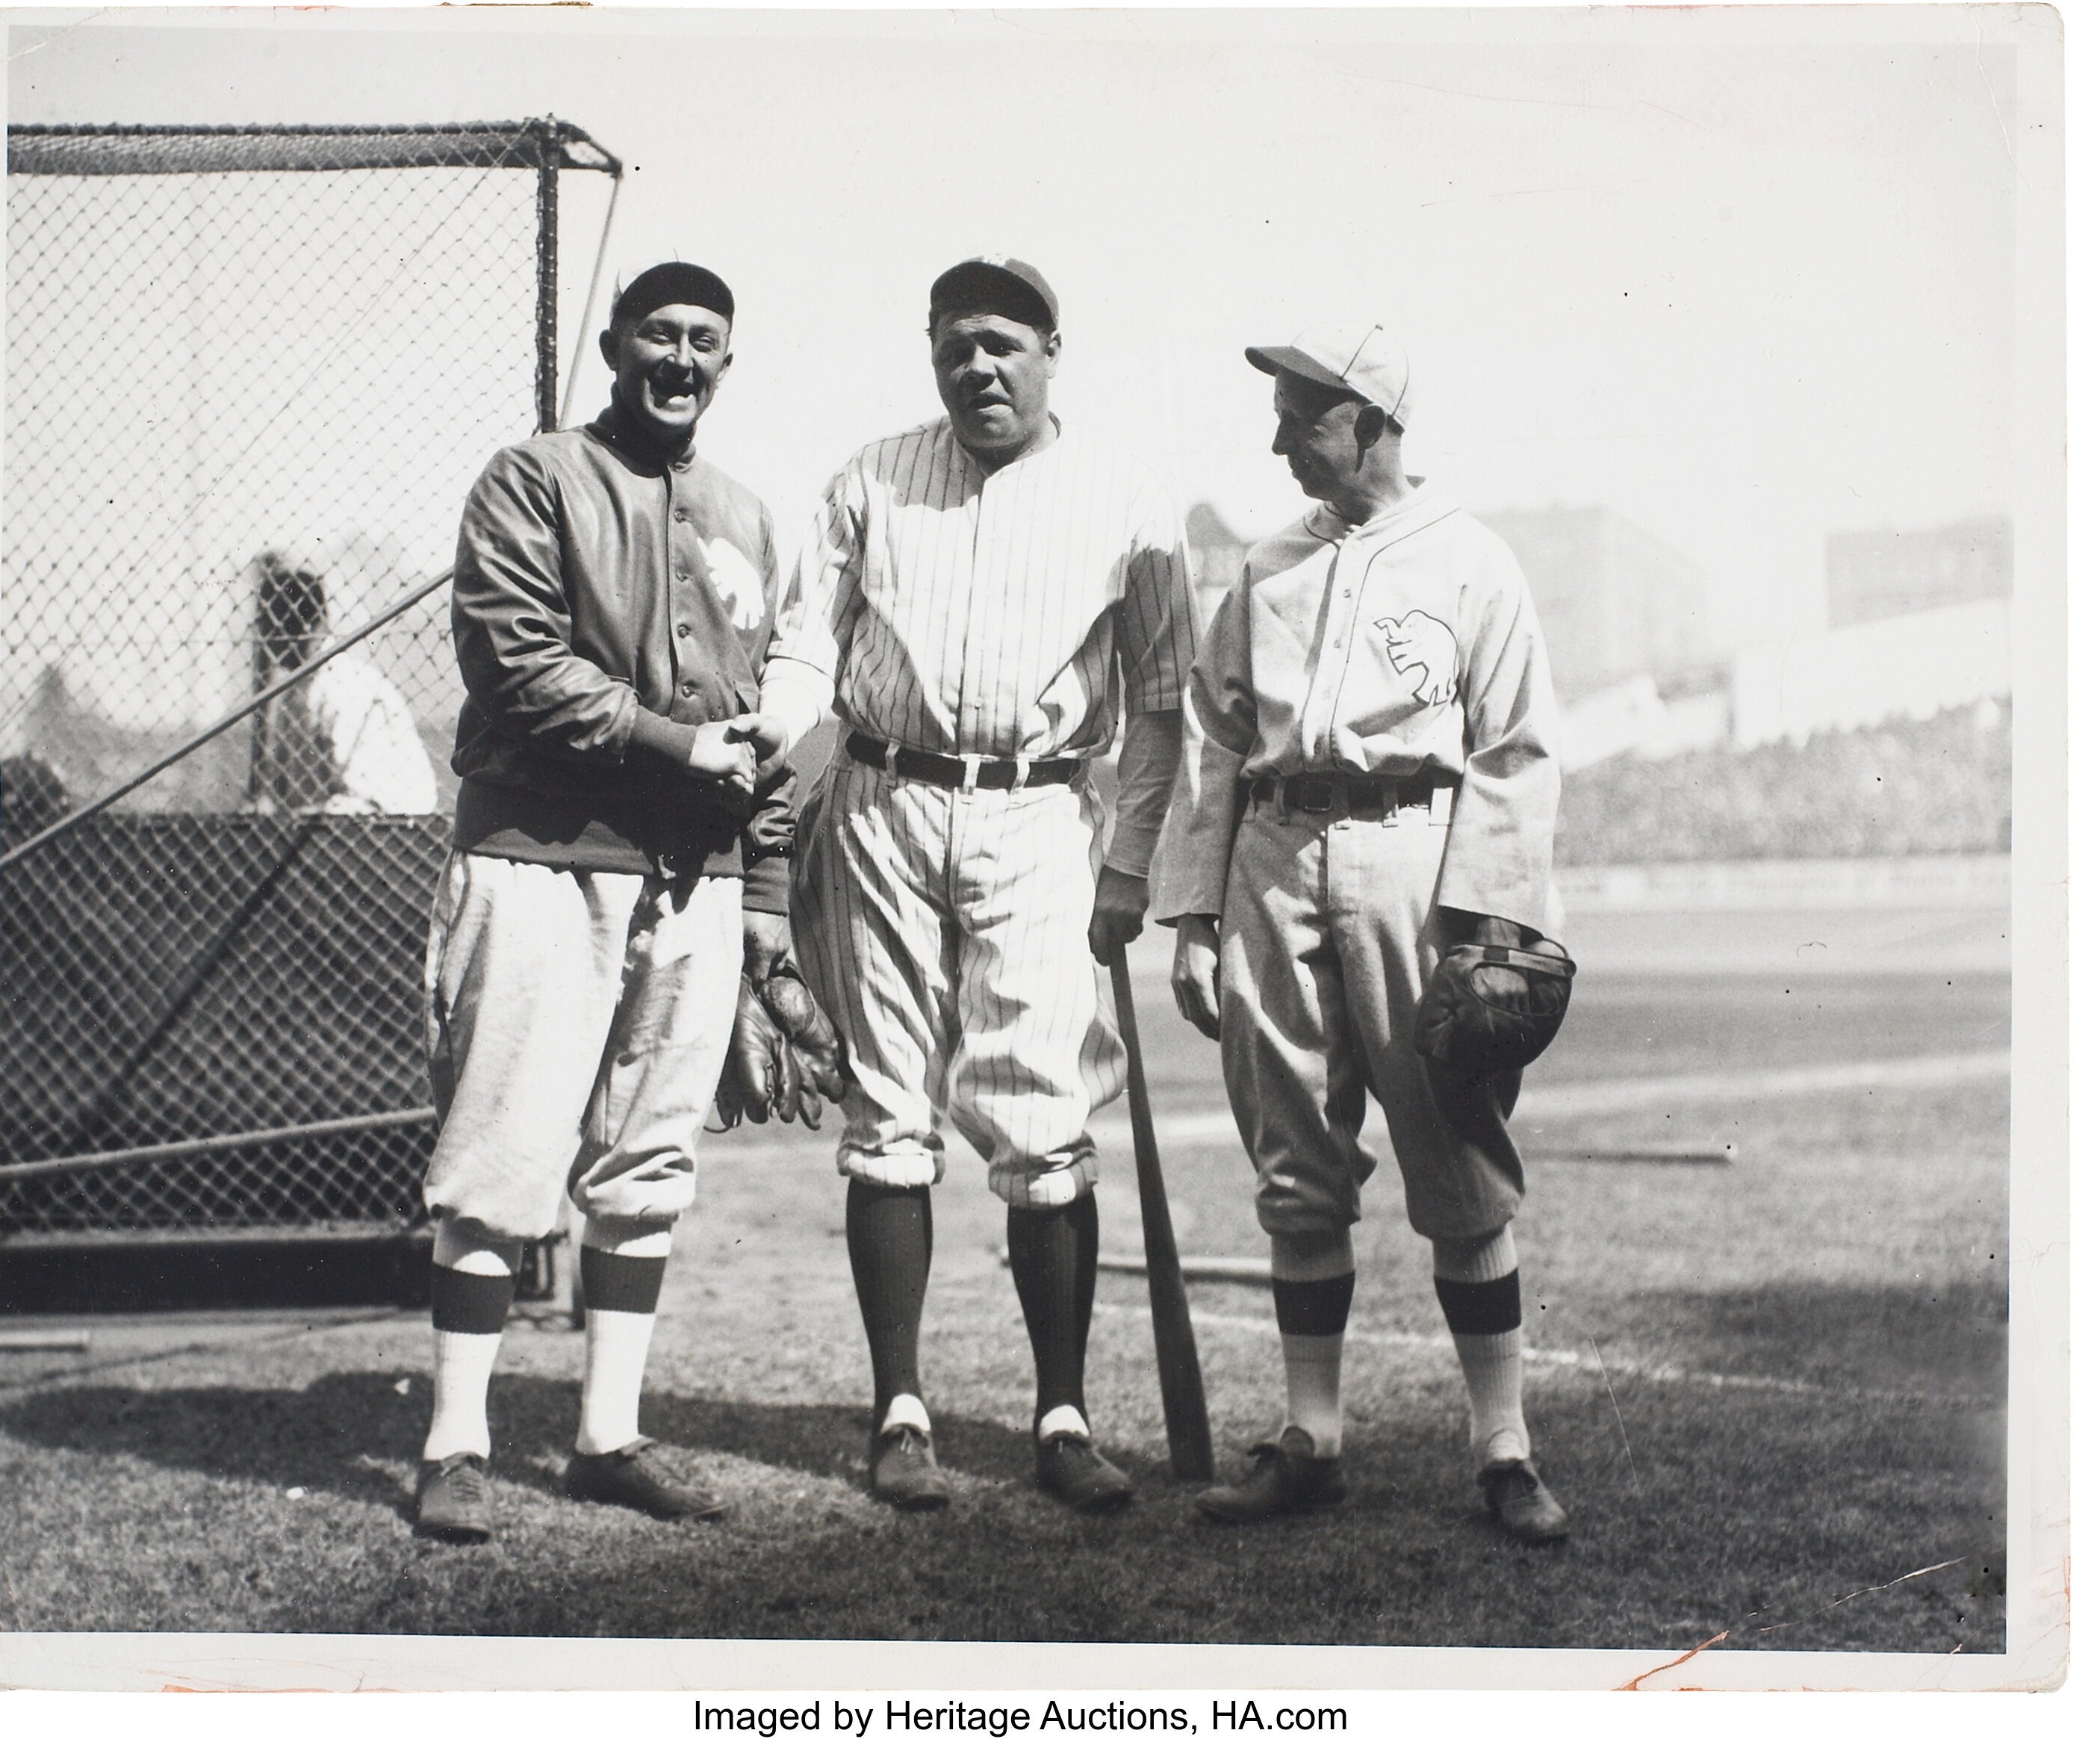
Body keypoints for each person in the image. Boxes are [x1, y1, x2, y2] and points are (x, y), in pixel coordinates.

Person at [744, 256, 1199, 1513]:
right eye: (955, 343)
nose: (977, 365)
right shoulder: (869, 477)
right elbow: (803, 650)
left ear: (1055, 348)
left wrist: (1127, 864)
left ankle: (1060, 1413)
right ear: (929, 350)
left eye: (1003, 342)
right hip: (885, 796)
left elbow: (1161, 710)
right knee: (889, 1109)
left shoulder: (1127, 499)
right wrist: (769, 740)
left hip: (1043, 809)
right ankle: (899, 1408)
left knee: (1041, 1112)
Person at [1158, 319, 1571, 1543]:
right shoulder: (1269, 564)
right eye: (1281, 414)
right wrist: (1191, 912)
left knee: (1455, 1151)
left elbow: (1515, 747)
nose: (1279, 438)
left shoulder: (1470, 560)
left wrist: (1485, 922)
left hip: (1416, 850)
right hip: (1273, 855)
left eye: (1304, 416)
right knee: (1294, 1158)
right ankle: (1311, 1436)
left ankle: (1502, 1444)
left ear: (1374, 421)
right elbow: (1214, 738)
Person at [412, 261, 795, 1544]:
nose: (681, 360)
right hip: (540, 851)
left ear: (726, 363)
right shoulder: (534, 477)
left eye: (706, 342)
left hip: (691, 876)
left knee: (647, 1161)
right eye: (660, 336)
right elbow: (515, 661)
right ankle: (456, 1441)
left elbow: (768, 720)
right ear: (618, 346)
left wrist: (761, 875)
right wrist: (681, 748)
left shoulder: (746, 513)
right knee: (500, 1147)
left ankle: (607, 1436)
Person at [246, 549, 438, 816]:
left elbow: (363, 801)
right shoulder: (295, 691)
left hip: (391, 832)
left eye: (273, 629)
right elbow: (283, 793)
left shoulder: (345, 687)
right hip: (328, 833)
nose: (266, 640)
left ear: (310, 626)